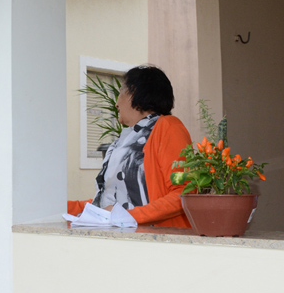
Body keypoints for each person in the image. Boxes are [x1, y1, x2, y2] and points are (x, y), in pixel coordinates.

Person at [68, 65, 192, 228]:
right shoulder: (125, 138)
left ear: (134, 92)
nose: (116, 103)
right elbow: (109, 201)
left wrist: (124, 216)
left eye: (120, 92)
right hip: (121, 238)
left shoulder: (168, 127)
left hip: (155, 242)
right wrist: (60, 207)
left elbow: (184, 193)